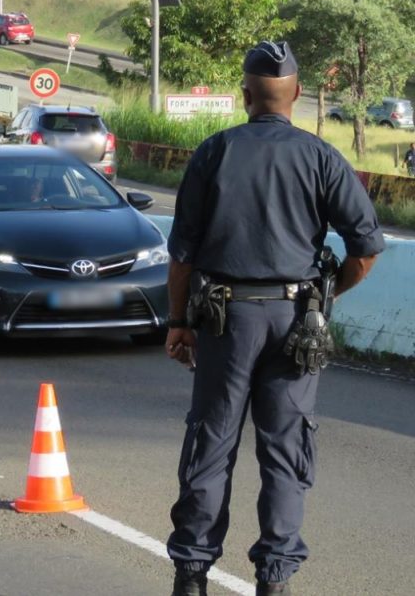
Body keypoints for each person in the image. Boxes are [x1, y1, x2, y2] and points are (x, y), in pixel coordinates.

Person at [164, 41, 385, 596]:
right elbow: (365, 249)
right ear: (297, 94)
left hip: (224, 321)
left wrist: (177, 321)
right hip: (295, 323)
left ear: (245, 95)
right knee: (286, 454)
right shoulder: (322, 157)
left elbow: (182, 255)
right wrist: (325, 296)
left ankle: (191, 576)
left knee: (211, 445)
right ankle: (275, 580)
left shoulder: (214, 153)